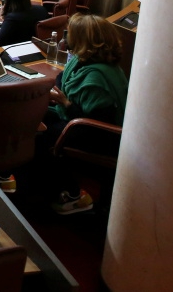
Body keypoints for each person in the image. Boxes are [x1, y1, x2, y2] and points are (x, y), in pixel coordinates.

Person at [40, 14, 129, 215]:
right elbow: (62, 77)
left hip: (97, 134)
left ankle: (71, 194)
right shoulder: (81, 61)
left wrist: (65, 103)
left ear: (83, 41)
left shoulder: (97, 78)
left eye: (70, 34)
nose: (66, 37)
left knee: (41, 136)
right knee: (34, 117)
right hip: (75, 118)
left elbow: (95, 123)